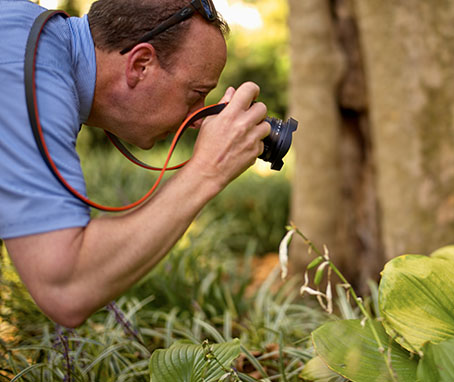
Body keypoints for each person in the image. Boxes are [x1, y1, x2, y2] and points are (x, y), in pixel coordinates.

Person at [0, 0, 271, 328]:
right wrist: (208, 171)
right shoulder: (29, 69)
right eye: (195, 94)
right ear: (141, 64)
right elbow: (64, 287)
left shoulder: (31, 40)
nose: (198, 118)